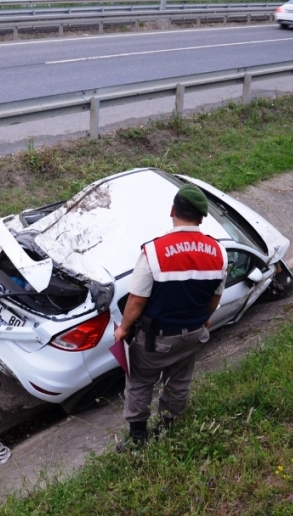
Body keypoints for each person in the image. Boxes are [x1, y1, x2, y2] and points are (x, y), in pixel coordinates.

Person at [113, 184, 228, 447]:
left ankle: (138, 438)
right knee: (179, 381)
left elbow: (137, 300)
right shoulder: (219, 252)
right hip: (194, 335)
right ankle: (167, 428)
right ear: (201, 218)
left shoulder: (153, 252)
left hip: (156, 339)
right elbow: (214, 297)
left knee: (141, 382)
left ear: (172, 210)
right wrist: (203, 319)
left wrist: (123, 329)